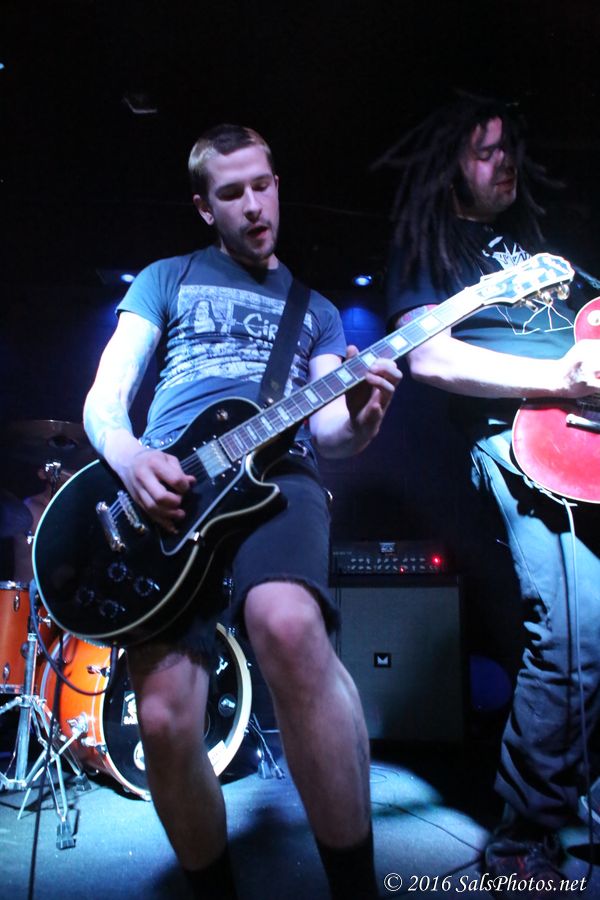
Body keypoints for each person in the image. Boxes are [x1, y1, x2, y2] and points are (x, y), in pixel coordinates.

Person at [83, 123, 400, 899]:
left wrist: (362, 418)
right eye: (232, 193)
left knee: (285, 623)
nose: (254, 205)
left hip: (275, 474)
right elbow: (104, 395)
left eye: (263, 185)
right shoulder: (167, 277)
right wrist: (130, 457)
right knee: (164, 720)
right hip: (169, 484)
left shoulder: (316, 311)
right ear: (205, 206)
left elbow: (330, 431)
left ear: (277, 185)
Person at [377, 95, 600, 896]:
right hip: (516, 437)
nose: (503, 164)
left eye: (511, 150)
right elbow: (429, 359)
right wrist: (557, 377)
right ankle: (524, 832)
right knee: (575, 628)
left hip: (588, 432)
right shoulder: (433, 243)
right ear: (452, 165)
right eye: (484, 152)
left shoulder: (544, 244)